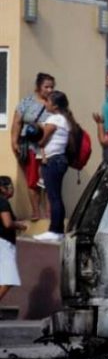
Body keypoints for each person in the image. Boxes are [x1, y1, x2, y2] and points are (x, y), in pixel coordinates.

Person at [34, 91, 79, 242]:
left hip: (53, 160)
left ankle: (54, 231)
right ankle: (58, 231)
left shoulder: (54, 119)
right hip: (59, 160)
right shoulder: (64, 119)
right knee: (56, 196)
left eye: (47, 101)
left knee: (54, 197)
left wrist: (37, 131)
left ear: (55, 105)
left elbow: (41, 141)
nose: (45, 103)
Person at [10, 72, 55, 221]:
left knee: (48, 181)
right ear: (38, 87)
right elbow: (17, 122)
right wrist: (14, 141)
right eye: (46, 87)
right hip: (30, 147)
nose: (49, 90)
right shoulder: (27, 102)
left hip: (50, 148)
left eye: (52, 87)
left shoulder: (55, 103)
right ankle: (36, 212)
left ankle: (48, 214)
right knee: (32, 180)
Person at [0, 177, 27, 305]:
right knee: (9, 279)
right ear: (2, 188)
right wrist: (20, 225)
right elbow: (7, 223)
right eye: (9, 186)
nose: (12, 189)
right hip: (4, 244)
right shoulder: (3, 202)